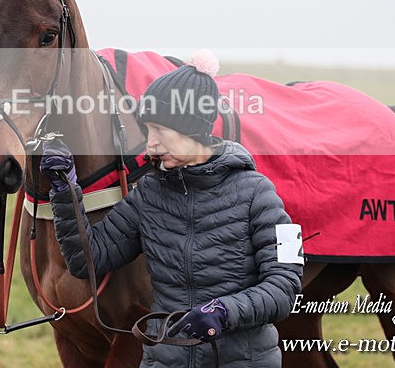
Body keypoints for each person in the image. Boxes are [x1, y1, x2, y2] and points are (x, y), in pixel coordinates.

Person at [41, 59, 303, 367]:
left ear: (191, 127)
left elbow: (285, 287)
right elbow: (86, 260)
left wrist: (223, 312)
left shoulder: (259, 193)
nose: (150, 144)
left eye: (160, 130)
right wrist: (64, 192)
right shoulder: (148, 195)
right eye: (147, 130)